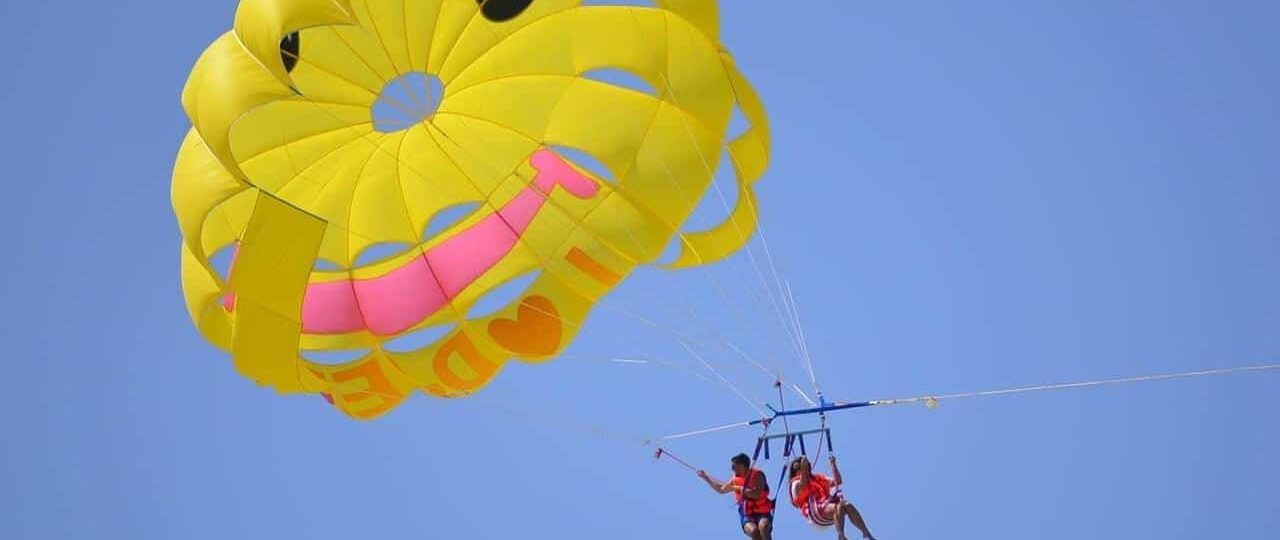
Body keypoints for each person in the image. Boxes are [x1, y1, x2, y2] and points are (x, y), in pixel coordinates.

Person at [789, 455, 876, 540]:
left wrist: (833, 464)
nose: (803, 469)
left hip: (826, 507)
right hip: (814, 512)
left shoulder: (817, 479)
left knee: (847, 505)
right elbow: (804, 481)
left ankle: (866, 532)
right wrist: (803, 459)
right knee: (838, 506)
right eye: (799, 468)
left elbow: (837, 481)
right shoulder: (794, 484)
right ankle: (841, 536)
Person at [698, 453, 775, 540]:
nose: (732, 469)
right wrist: (706, 478)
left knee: (763, 527)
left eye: (734, 466)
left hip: (763, 511)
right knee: (754, 531)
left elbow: (756, 495)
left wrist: (737, 488)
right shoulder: (735, 480)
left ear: (743, 466)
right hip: (747, 513)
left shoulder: (757, 475)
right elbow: (721, 489)